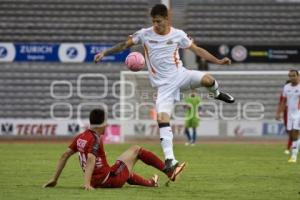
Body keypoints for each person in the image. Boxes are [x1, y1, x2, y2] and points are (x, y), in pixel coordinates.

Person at [94, 4, 234, 172]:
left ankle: (217, 94)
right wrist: (104, 53)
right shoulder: (145, 34)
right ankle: (170, 159)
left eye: (159, 21)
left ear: (167, 19)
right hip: (164, 86)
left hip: (182, 76)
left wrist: (218, 61)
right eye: (153, 21)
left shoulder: (178, 35)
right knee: (162, 118)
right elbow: (124, 45)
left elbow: (197, 50)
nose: (156, 25)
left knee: (209, 80)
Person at [43, 109, 186, 190]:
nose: (107, 125)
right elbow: (91, 159)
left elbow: (64, 155)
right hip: (108, 180)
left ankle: (151, 183)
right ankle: (169, 172)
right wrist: (86, 184)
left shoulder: (81, 136)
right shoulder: (96, 139)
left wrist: (54, 179)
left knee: (124, 168)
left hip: (100, 178)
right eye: (106, 122)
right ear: (100, 125)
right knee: (136, 150)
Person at [276, 70, 300, 163]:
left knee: (295, 133)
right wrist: (279, 113)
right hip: (289, 113)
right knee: (290, 134)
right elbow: (283, 101)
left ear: (298, 76)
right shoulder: (286, 87)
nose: (292, 78)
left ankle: (294, 156)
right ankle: (296, 146)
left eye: (294, 76)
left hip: (298, 113)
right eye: (290, 76)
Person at [276, 80, 291, 154]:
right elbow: (281, 103)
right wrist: (278, 113)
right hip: (286, 112)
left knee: (294, 130)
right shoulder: (283, 94)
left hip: (296, 112)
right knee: (289, 131)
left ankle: (288, 148)